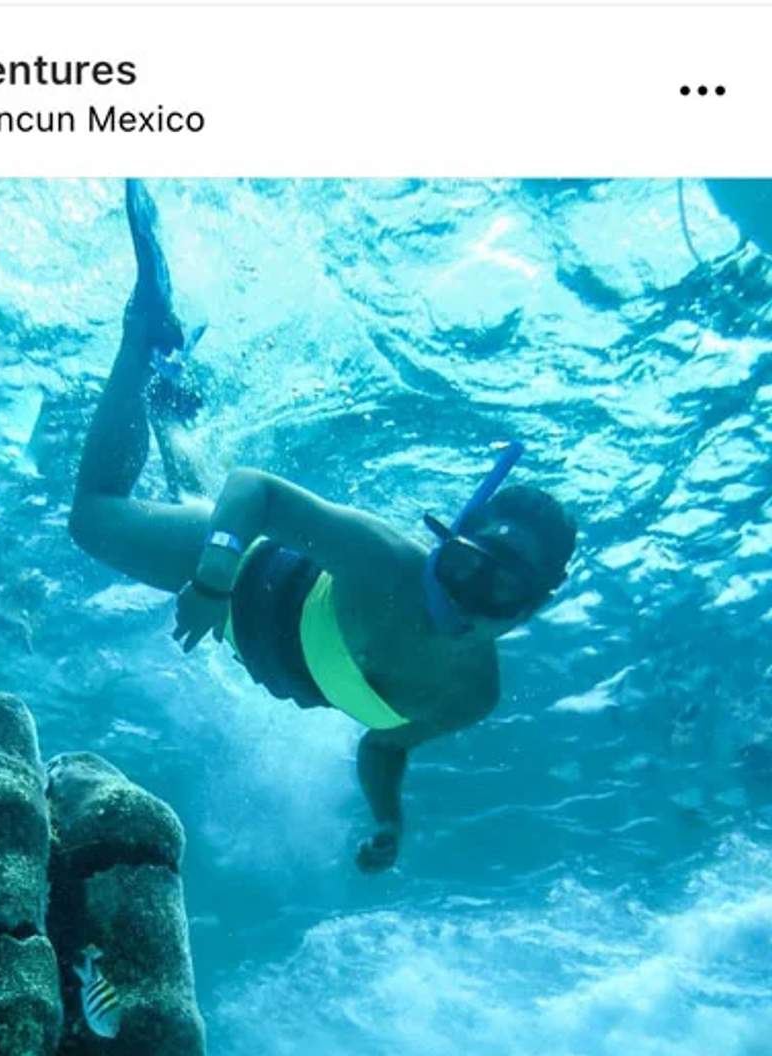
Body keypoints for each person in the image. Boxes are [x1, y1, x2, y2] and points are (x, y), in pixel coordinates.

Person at [70, 181, 578, 871]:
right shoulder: (391, 562)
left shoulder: (472, 694)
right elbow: (255, 490)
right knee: (95, 519)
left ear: (529, 611)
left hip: (239, 628)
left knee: (195, 492)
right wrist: (215, 579)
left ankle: (172, 388)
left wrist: (389, 819)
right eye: (464, 567)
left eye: (498, 594)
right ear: (444, 544)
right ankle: (143, 332)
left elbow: (384, 746)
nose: (465, 598)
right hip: (245, 573)